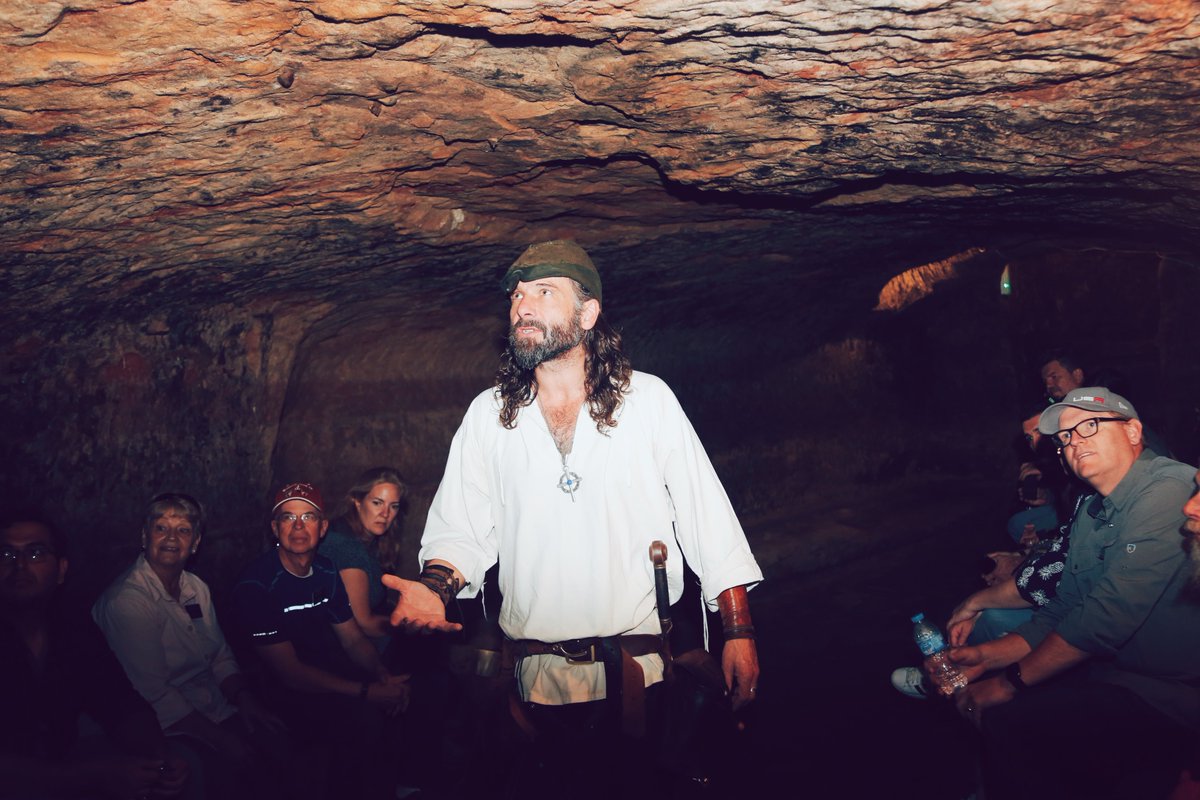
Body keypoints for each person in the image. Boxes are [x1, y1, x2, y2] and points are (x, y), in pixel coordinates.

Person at [383, 239, 763, 795]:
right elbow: (461, 529)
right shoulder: (490, 416)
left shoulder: (647, 402)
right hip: (534, 685)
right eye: (516, 295)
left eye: (543, 291)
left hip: (640, 680)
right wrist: (435, 588)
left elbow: (710, 520)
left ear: (587, 314)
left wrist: (739, 631)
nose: (522, 305)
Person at [949, 388, 1200, 799]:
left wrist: (1008, 683)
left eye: (1090, 425)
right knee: (1007, 710)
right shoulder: (1091, 507)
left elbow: (1105, 619)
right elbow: (1064, 607)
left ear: (1134, 431)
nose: (1073, 441)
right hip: (1117, 675)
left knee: (1011, 718)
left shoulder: (1168, 488)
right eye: (1064, 437)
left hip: (1170, 694)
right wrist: (985, 656)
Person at [92, 493, 286, 799]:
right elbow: (154, 693)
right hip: (162, 724)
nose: (171, 537)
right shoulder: (128, 602)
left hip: (212, 707)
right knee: (219, 771)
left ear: (195, 543)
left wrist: (244, 699)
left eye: (183, 530)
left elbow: (220, 656)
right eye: (161, 528)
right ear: (145, 537)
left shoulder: (195, 588)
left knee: (277, 740)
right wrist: (221, 739)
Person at [232, 482, 411, 800]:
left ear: (323, 527)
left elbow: (353, 639)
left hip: (328, 675)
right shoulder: (256, 583)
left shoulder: (326, 570)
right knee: (363, 722)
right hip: (282, 691)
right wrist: (368, 692)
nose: (299, 527)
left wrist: (381, 674)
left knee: (402, 701)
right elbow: (289, 673)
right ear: (275, 528)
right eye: (289, 518)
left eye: (309, 518)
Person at [1, 509, 190, 798]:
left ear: (61, 569)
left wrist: (157, 756)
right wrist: (91, 777)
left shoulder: (71, 627)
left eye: (36, 553)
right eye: (6, 555)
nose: (20, 566)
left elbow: (120, 701)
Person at [319, 468, 406, 643]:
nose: (385, 513)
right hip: (331, 645)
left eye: (393, 506)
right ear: (357, 501)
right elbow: (364, 623)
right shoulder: (345, 546)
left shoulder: (372, 539)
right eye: (377, 503)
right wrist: (410, 626)